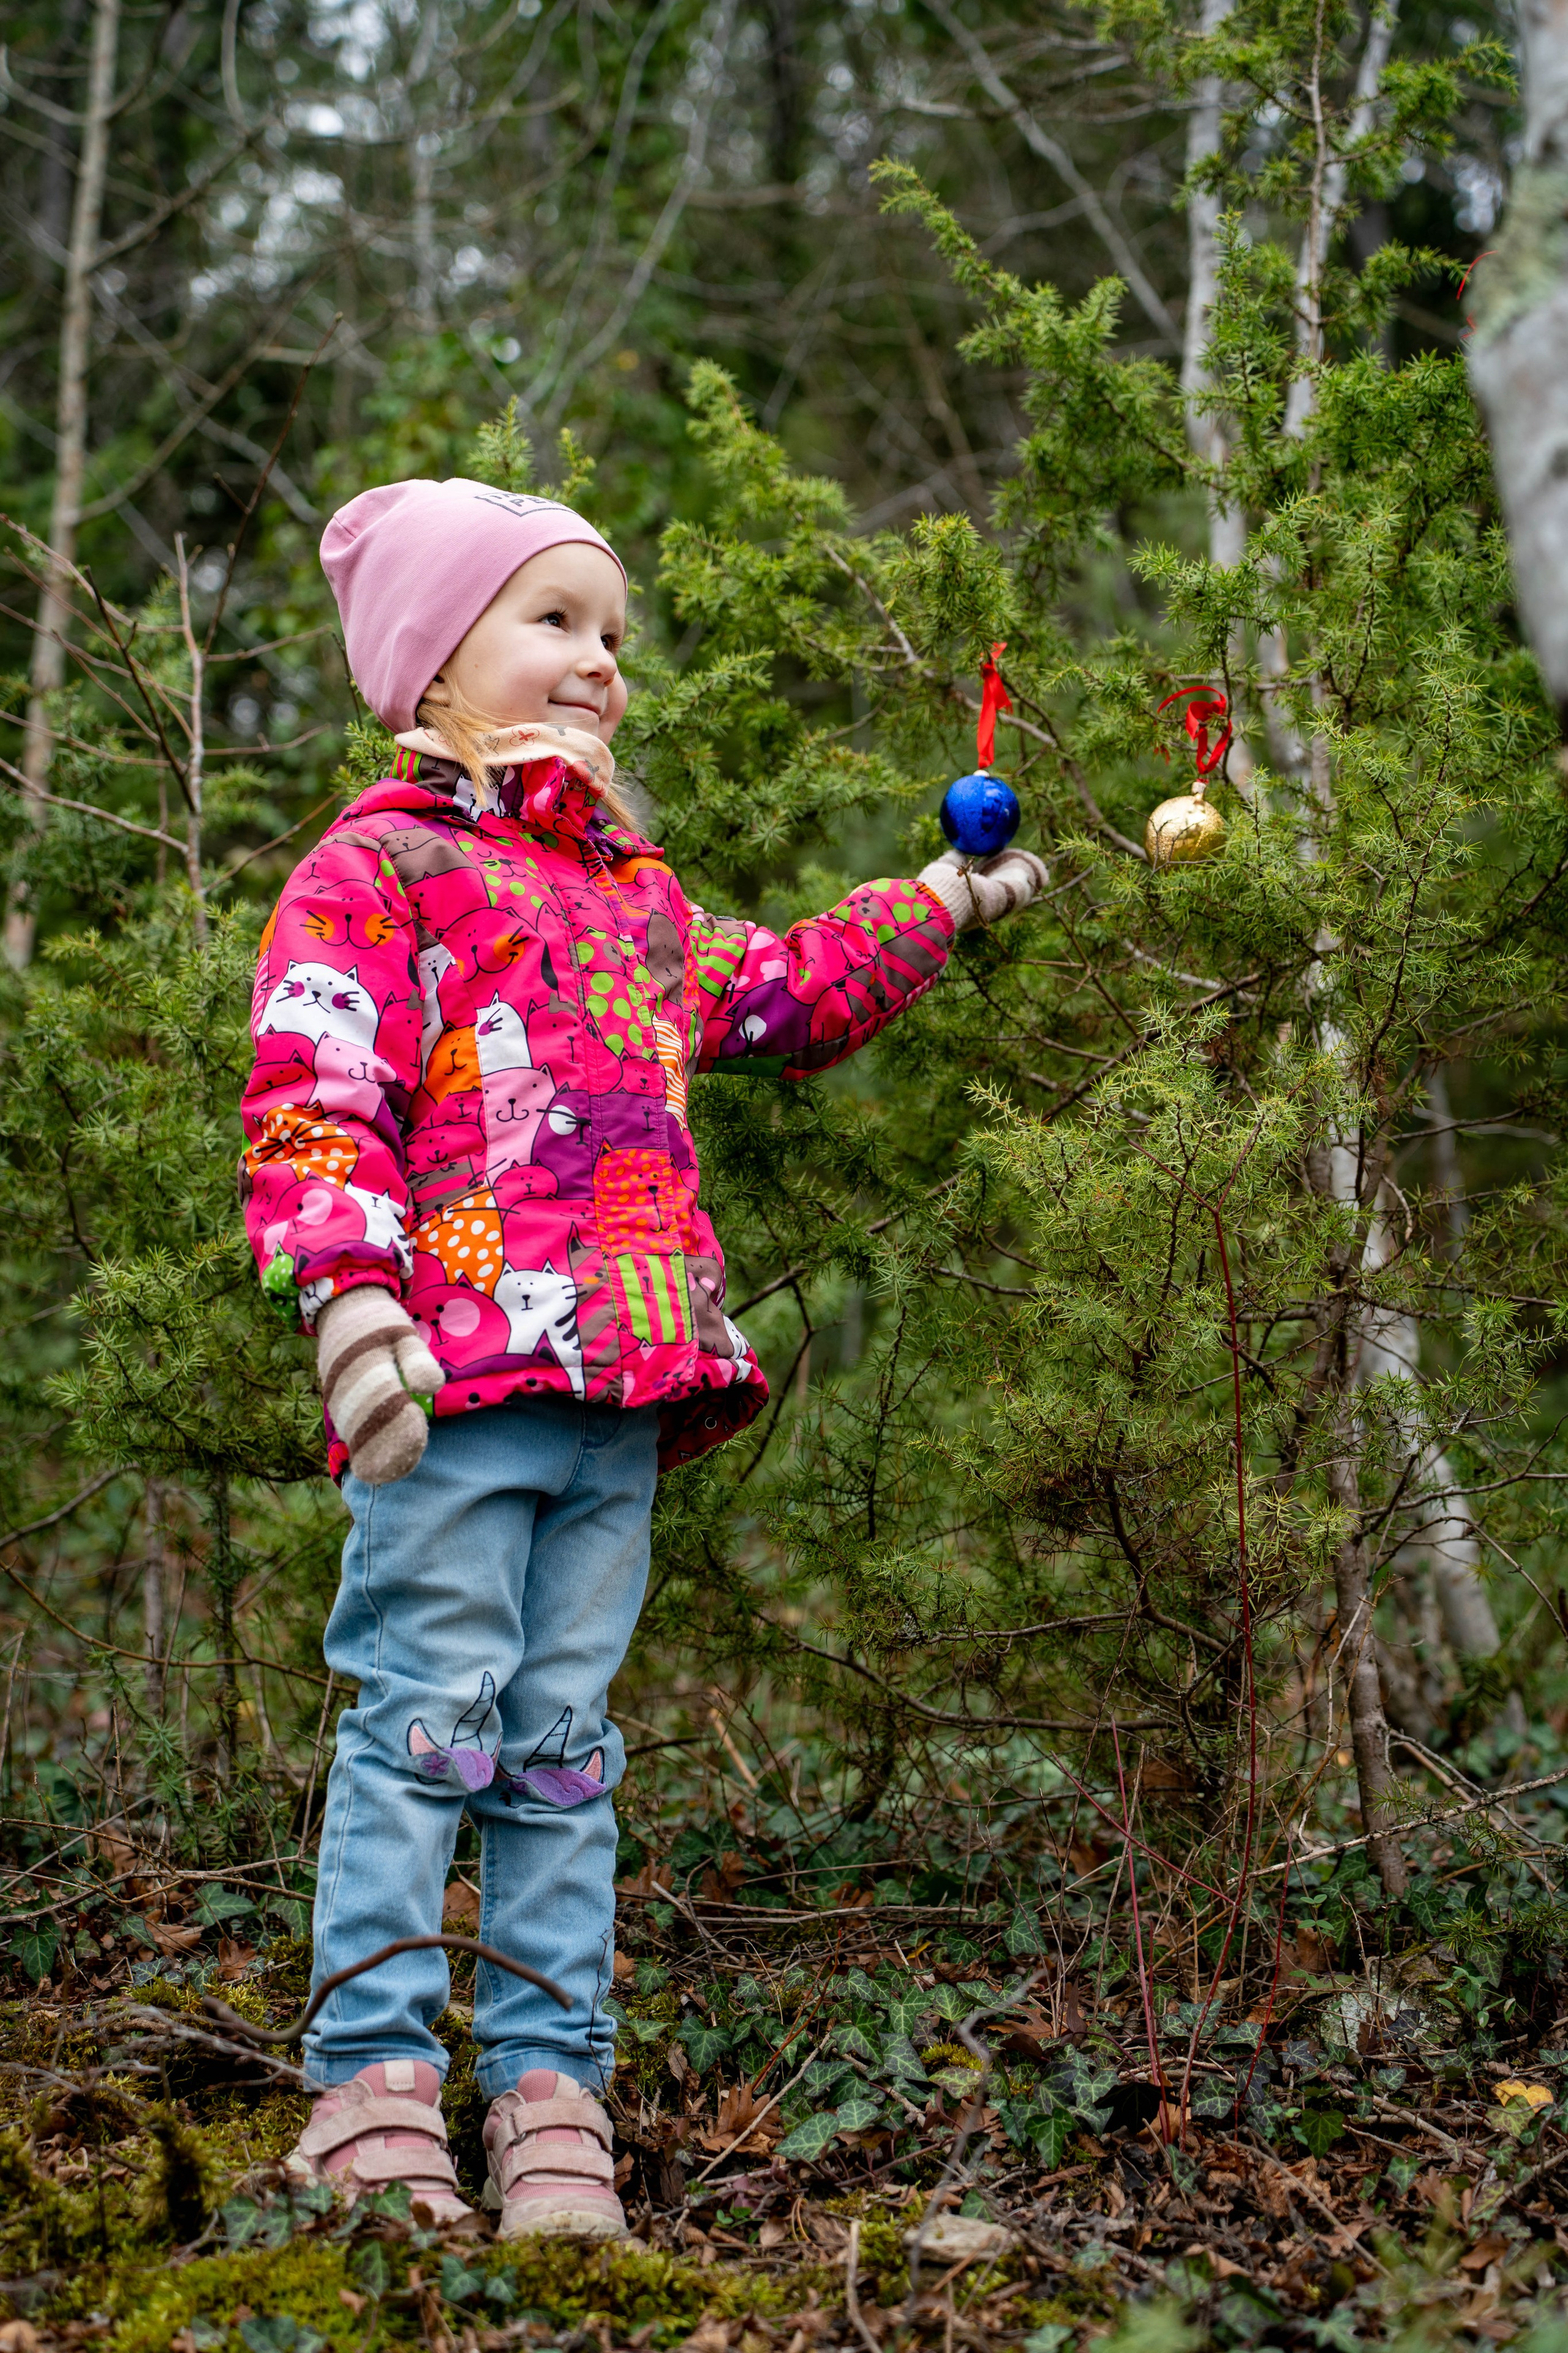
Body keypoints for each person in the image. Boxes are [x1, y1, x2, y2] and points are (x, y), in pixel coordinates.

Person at [240, 476, 1046, 2239]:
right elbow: (316, 1090)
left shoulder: (635, 897)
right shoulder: (382, 867)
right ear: (435, 664)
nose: (600, 662)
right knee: (424, 1721)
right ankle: (370, 2096)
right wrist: (347, 1299)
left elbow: (786, 990)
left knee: (558, 1741)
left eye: (614, 633)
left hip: (628, 1397)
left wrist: (939, 901)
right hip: (455, 1397)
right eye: (555, 621)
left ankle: (548, 2102)